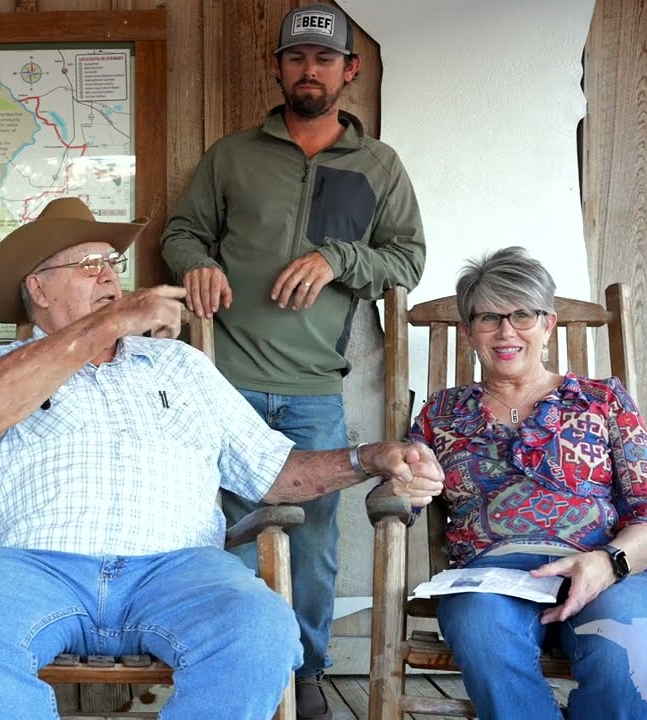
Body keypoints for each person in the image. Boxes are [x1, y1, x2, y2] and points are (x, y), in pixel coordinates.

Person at [0, 197, 443, 720]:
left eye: (112, 265)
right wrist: (111, 324)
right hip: (28, 568)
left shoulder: (179, 365)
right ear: (38, 287)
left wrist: (369, 456)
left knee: (261, 630)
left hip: (178, 569)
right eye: (89, 265)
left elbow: (275, 473)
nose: (109, 279)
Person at [160, 5, 426, 716]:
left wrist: (336, 258)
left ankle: (305, 675)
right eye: (297, 57)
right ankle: (228, 669)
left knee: (311, 547)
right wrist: (198, 267)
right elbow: (181, 234)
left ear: (350, 70)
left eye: (324, 59)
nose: (310, 70)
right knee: (224, 535)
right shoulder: (233, 155)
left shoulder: (378, 165)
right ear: (277, 66)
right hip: (223, 383)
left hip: (314, 387)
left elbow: (408, 260)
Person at [372, 247, 647, 719]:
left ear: (548, 323)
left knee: (627, 656)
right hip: (492, 578)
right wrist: (402, 485)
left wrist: (610, 562)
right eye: (489, 318)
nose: (507, 331)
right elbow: (398, 496)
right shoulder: (441, 413)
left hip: (610, 569)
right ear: (470, 331)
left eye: (522, 314)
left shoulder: (604, 400)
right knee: (483, 634)